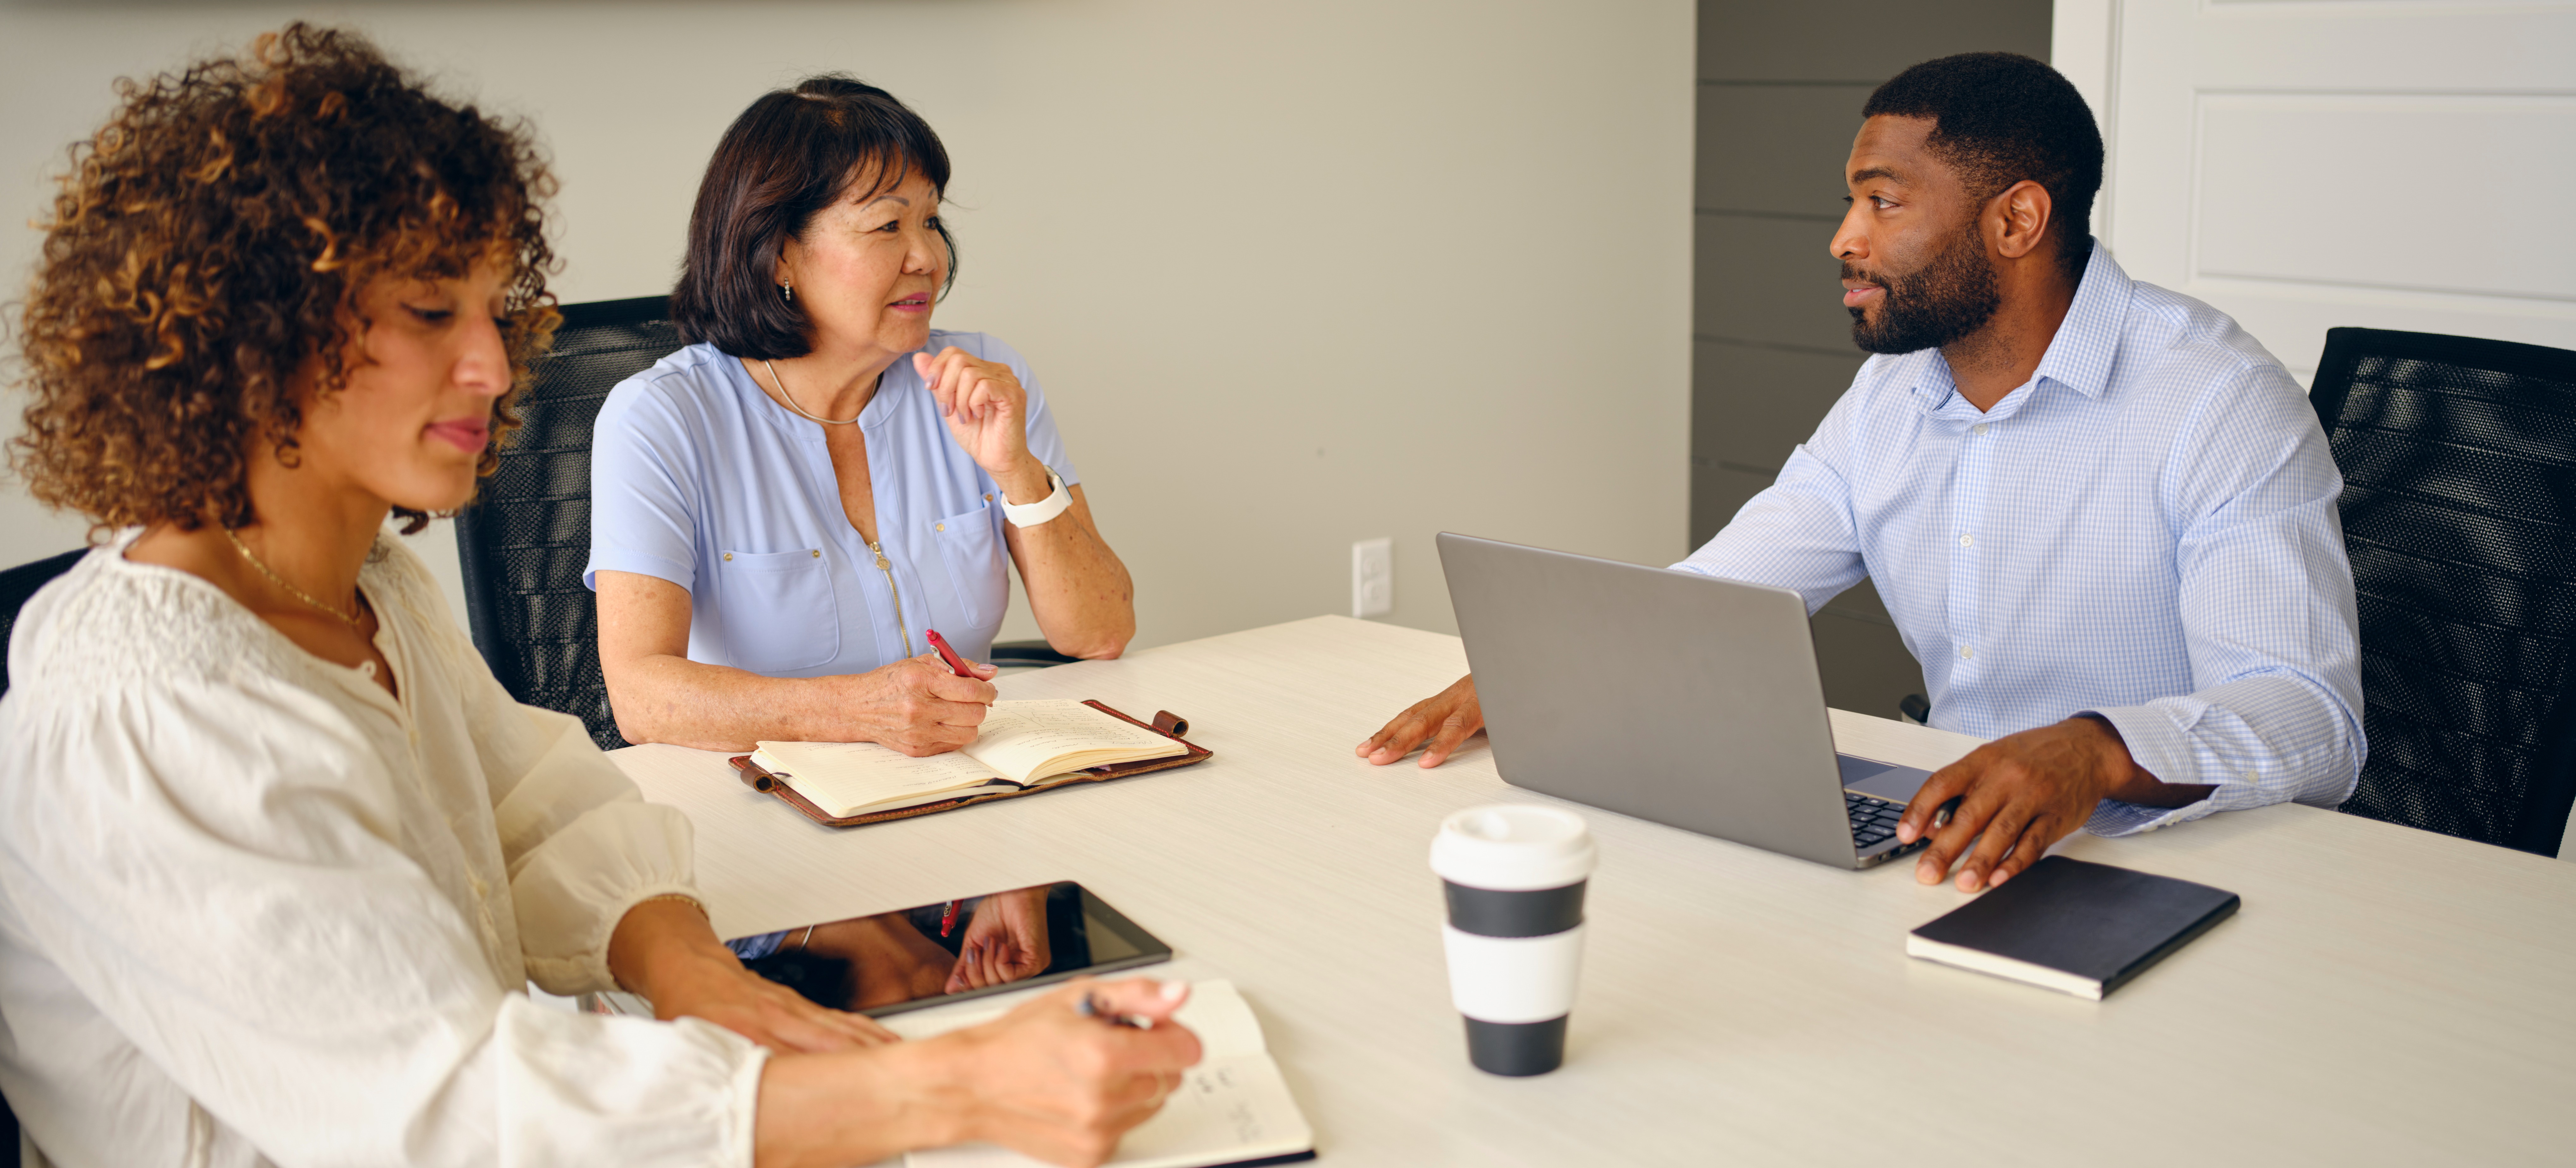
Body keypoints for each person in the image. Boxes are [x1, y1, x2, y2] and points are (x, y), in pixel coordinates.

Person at [0, 26, 1195, 1167]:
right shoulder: (144, 699)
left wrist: (696, 970)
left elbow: (545, 804)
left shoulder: (372, 590)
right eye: (432, 313)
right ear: (252, 333)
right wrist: (943, 1084)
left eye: (488, 308)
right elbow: (447, 1109)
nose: (495, 363)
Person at [1358, 52, 2364, 894]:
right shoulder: (1895, 397)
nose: (1845, 240)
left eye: (1884, 204)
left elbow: (2310, 717)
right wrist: (1548, 672)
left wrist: (2093, 749)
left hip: (2175, 867)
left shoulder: (2217, 402)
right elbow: (1725, 593)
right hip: (1956, 850)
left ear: (2016, 223)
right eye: (1852, 203)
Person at [588, 76, 1132, 759]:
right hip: (767, 799)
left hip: (959, 778)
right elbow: (641, 698)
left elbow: (1101, 633)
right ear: (780, 251)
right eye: (887, 226)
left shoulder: (985, 380)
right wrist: (857, 710)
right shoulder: (662, 421)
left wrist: (1016, 471)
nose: (928, 258)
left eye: (931, 221)